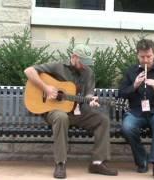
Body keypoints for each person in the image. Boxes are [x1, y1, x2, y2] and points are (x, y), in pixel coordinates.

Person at [24, 44, 118, 179]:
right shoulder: (58, 67)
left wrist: (91, 100)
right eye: (82, 62)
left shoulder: (89, 73)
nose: (85, 66)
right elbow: (29, 71)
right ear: (74, 57)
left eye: (87, 63)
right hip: (54, 110)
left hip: (78, 112)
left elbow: (88, 95)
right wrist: (46, 88)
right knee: (62, 117)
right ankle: (60, 163)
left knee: (102, 120)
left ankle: (97, 163)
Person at [119, 39, 154, 179]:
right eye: (142, 57)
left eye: (149, 56)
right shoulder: (131, 72)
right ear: (137, 56)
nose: (145, 60)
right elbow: (121, 94)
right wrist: (134, 85)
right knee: (127, 126)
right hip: (136, 112)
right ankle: (142, 159)